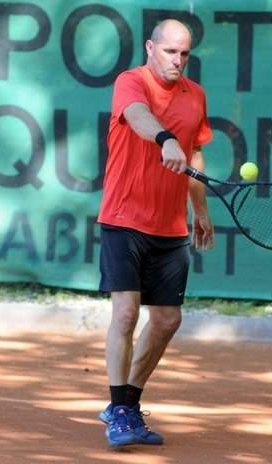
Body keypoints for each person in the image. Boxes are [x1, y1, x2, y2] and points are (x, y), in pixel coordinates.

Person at [96, 19, 215, 448]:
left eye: (184, 54)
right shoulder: (132, 82)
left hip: (170, 224)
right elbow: (137, 115)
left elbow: (194, 152)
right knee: (126, 313)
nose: (177, 61)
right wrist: (165, 138)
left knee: (167, 320)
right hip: (124, 217)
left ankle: (125, 403)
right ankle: (120, 412)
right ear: (150, 47)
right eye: (169, 51)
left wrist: (200, 208)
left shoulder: (195, 95)